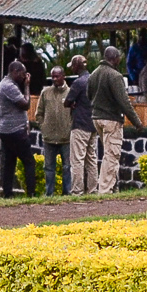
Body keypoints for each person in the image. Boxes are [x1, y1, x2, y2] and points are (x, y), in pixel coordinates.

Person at [87, 46, 143, 194]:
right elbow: (124, 102)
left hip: (97, 118)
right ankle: (105, 191)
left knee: (108, 152)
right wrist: (137, 122)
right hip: (111, 119)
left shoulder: (93, 74)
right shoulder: (115, 76)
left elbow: (89, 95)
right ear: (115, 58)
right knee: (112, 155)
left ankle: (113, 187)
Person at [0, 59, 37, 196]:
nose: (25, 76)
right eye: (23, 73)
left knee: (10, 161)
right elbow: (25, 104)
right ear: (15, 71)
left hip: (6, 129)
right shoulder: (9, 86)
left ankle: (7, 193)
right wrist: (27, 86)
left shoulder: (6, 84)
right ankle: (31, 193)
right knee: (29, 161)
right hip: (13, 130)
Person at [37, 66, 73, 196]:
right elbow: (39, 113)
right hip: (49, 137)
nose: (55, 79)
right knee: (49, 168)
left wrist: (70, 128)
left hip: (66, 137)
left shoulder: (70, 92)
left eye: (57, 76)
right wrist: (43, 127)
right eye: (52, 76)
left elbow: (74, 114)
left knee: (67, 167)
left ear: (63, 76)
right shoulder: (45, 93)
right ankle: (49, 193)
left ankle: (67, 192)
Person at [66, 55, 97, 194]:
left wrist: (73, 103)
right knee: (91, 159)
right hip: (93, 124)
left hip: (80, 124)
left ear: (76, 66)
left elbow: (67, 101)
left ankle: (77, 191)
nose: (72, 68)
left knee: (77, 160)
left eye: (72, 66)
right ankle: (92, 190)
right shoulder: (94, 80)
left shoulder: (78, 83)